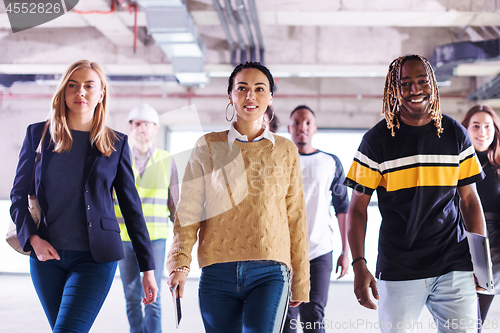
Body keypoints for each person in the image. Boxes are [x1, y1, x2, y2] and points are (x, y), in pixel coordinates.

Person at [10, 60, 158, 333]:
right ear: (64, 92)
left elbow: (131, 209)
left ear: (101, 93)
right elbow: (18, 196)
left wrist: (147, 269)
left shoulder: (116, 143)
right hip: (46, 259)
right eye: (73, 85)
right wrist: (33, 240)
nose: (80, 92)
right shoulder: (38, 135)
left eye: (89, 86)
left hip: (95, 258)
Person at [344, 54, 487, 333]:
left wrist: (482, 266)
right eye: (405, 83)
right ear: (393, 89)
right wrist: (359, 264)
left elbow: (470, 201)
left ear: (432, 84)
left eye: (422, 81)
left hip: (453, 263)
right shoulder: (376, 141)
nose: (415, 90)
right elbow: (357, 208)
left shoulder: (455, 134)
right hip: (399, 267)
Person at [166, 61, 310, 333]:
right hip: (216, 272)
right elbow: (188, 211)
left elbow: (296, 216)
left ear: (270, 97)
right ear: (230, 94)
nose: (250, 96)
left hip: (270, 272)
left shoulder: (285, 150)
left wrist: (301, 279)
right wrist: (179, 263)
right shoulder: (208, 146)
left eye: (259, 89)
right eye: (241, 88)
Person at [284, 105, 350, 333]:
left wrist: (346, 251)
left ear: (315, 128)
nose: (302, 126)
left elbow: (343, 208)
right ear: (289, 127)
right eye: (297, 122)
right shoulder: (279, 161)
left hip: (320, 251)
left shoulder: (330, 162)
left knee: (314, 319)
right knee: (286, 321)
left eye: (308, 122)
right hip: (284, 252)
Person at [115, 104, 179, 333]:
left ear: (156, 129)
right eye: (137, 124)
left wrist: (181, 243)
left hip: (155, 239)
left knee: (154, 294)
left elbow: (175, 205)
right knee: (131, 294)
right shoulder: (118, 160)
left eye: (147, 124)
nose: (142, 128)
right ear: (130, 128)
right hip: (123, 239)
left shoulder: (166, 160)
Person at [461, 104, 500, 331]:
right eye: (475, 126)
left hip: (493, 253)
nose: (482, 132)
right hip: (456, 246)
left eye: (487, 126)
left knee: (474, 322)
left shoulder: (497, 168)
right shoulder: (455, 165)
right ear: (465, 129)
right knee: (456, 319)